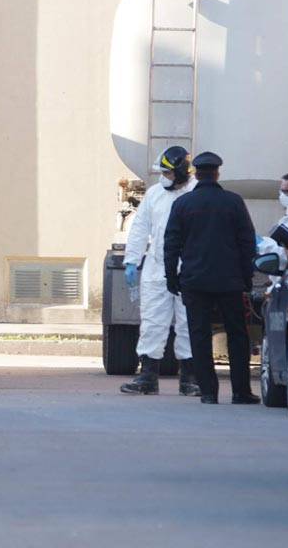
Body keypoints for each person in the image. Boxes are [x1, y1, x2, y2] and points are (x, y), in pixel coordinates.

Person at [163, 151, 259, 405]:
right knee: (237, 335)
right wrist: (247, 277)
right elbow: (247, 242)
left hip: (195, 280)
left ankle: (208, 392)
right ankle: (241, 391)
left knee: (199, 334)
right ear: (217, 173)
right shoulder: (233, 202)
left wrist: (171, 277)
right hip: (229, 279)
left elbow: (171, 244)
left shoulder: (182, 204)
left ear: (196, 173)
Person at [120, 146, 200, 396]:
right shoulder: (155, 194)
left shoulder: (197, 193)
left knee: (189, 322)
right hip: (157, 267)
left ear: (180, 172)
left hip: (189, 267)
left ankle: (190, 378)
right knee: (153, 321)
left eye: (167, 172)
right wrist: (132, 260)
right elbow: (140, 227)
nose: (163, 177)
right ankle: (148, 376)